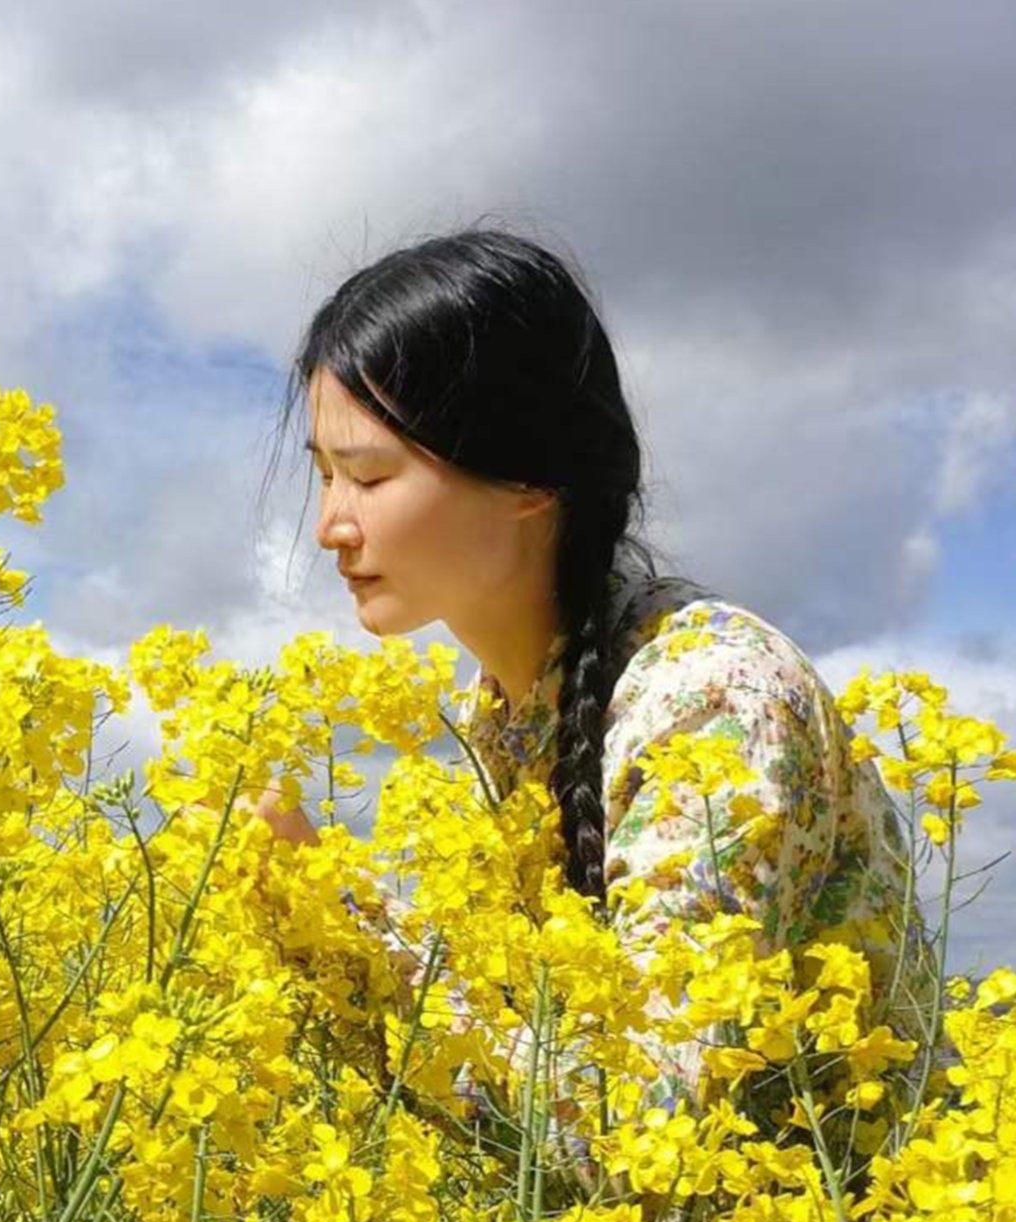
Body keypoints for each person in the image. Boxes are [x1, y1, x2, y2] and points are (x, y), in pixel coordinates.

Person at [247, 224, 936, 1143]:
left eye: (368, 476)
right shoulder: (501, 704)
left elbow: (642, 1123)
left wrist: (340, 917)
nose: (331, 524)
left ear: (530, 478)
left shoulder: (711, 697)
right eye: (323, 475)